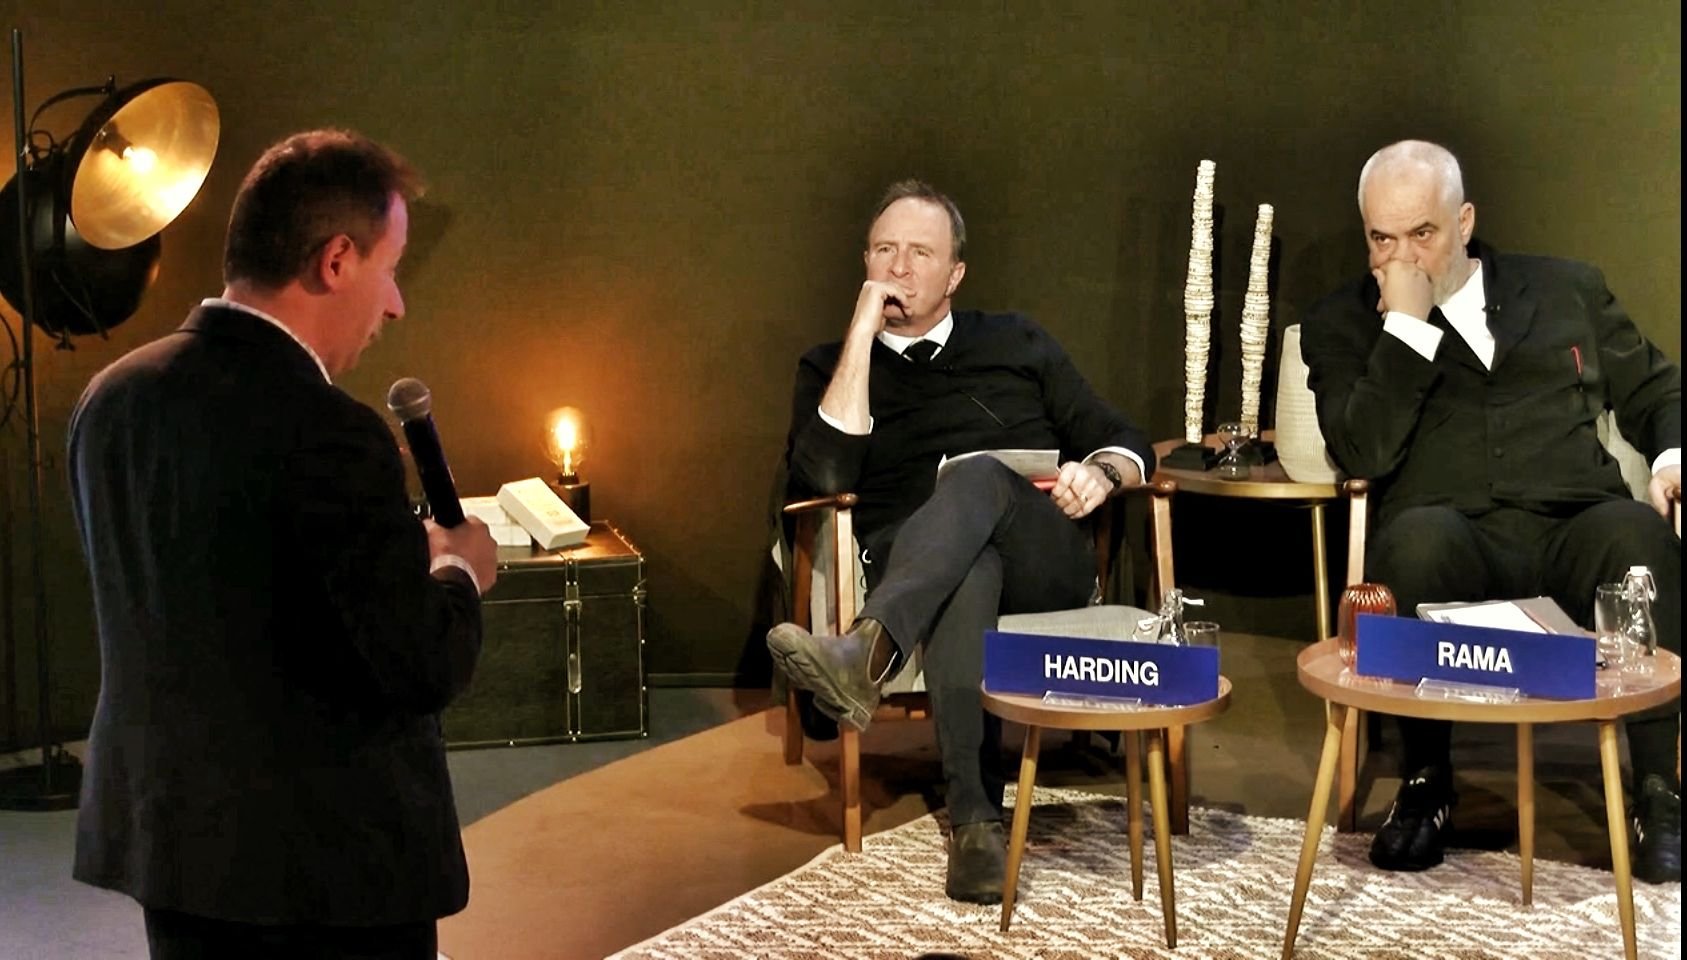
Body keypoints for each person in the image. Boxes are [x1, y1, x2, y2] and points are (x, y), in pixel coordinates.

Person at [67, 129, 499, 959]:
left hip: (175, 852)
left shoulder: (110, 399)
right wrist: (456, 568)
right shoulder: (333, 433)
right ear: (336, 260)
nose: (396, 303)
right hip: (324, 877)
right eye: (391, 268)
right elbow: (417, 667)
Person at [1302, 140, 1681, 882]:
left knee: (1635, 534)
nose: (1401, 256)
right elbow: (1361, 452)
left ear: (1463, 220)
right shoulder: (1342, 322)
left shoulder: (1567, 290)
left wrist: (1671, 460)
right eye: (1382, 238)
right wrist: (1404, 330)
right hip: (1448, 533)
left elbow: (1657, 393)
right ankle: (1425, 784)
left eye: (1422, 233)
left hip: (1574, 522)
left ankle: (1657, 790)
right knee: (1411, 542)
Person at [766, 180, 1154, 904]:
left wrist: (1100, 473)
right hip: (915, 561)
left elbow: (1122, 435)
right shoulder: (829, 366)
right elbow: (820, 474)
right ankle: (976, 821)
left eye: (919, 253)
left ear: (955, 274)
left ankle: (865, 653)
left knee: (976, 478)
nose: (899, 268)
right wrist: (860, 334)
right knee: (964, 567)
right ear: (864, 263)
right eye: (884, 251)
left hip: (1043, 560)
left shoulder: (1015, 342)